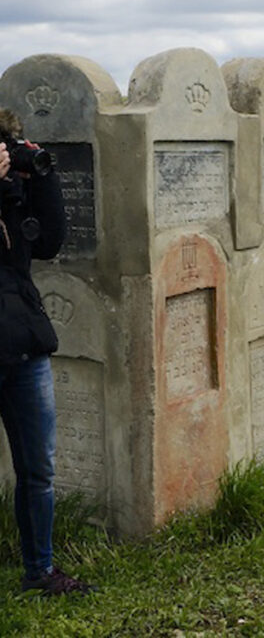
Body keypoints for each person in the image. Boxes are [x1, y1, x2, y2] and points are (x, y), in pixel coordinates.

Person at [0, 107, 94, 596]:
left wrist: (41, 176)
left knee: (38, 468)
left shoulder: (13, 181)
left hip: (22, 341)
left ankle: (40, 570)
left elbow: (48, 243)